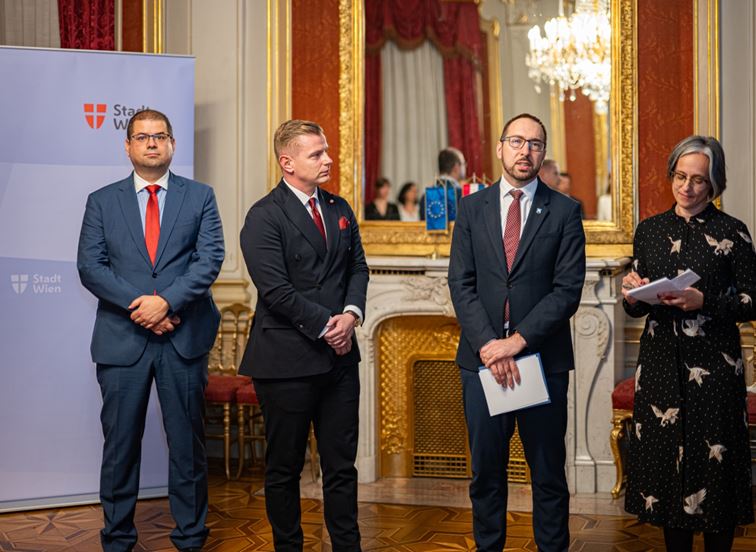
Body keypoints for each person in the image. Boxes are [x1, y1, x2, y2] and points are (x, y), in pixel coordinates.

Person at [77, 109, 225, 552]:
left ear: (172, 144)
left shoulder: (200, 197)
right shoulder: (102, 201)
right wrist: (143, 307)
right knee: (120, 447)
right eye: (142, 137)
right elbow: (91, 266)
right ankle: (117, 539)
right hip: (122, 340)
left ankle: (191, 537)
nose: (152, 143)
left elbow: (209, 259)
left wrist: (168, 302)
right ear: (128, 146)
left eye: (160, 136)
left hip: (184, 339)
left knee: (187, 447)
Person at [448, 113, 586, 552]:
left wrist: (516, 342)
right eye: (517, 141)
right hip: (483, 363)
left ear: (543, 153)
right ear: (500, 147)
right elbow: (461, 283)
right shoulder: (471, 208)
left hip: (541, 361)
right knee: (486, 474)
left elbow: (567, 291)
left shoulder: (565, 211)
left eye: (535, 144)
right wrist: (492, 346)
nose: (525, 151)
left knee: (547, 475)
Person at [239, 119, 369, 551]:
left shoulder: (339, 207)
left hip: (340, 359)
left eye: (326, 150)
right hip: (286, 361)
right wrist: (328, 326)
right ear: (287, 162)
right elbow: (276, 291)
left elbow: (358, 268)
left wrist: (350, 315)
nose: (328, 159)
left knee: (341, 467)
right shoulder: (263, 215)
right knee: (284, 468)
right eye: (317, 153)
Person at [620, 135, 755, 552]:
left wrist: (705, 302)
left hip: (714, 370)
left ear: (714, 183)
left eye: (698, 179)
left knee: (715, 475)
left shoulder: (732, 231)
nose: (687, 187)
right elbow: (636, 308)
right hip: (660, 367)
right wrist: (632, 294)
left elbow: (751, 301)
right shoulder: (649, 230)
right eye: (680, 176)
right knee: (667, 478)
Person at [420, 146, 466, 221]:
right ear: (456, 167)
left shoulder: (425, 196)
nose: (465, 167)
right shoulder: (462, 194)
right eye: (463, 164)